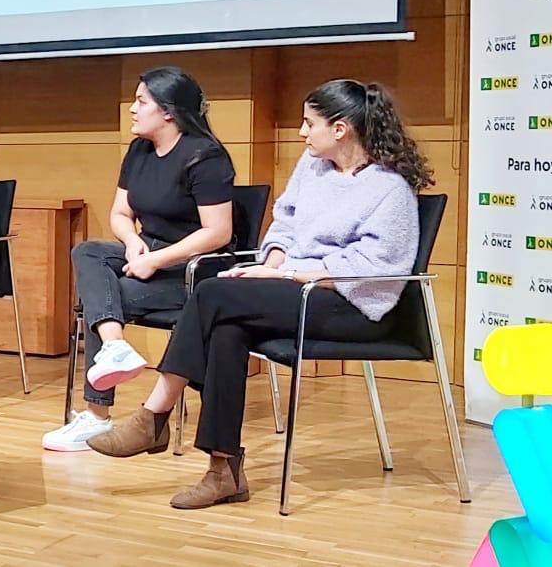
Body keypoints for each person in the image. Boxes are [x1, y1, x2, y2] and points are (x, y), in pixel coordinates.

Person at [85, 79, 434, 510]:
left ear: (340, 129)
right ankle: (223, 471)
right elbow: (284, 223)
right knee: (228, 327)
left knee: (213, 294)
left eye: (309, 124)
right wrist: (272, 264)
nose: (302, 133)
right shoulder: (313, 167)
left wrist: (286, 275)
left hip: (353, 304)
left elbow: (374, 269)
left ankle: (154, 415)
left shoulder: (389, 189)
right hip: (296, 287)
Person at [42, 67, 235, 452]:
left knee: (105, 299)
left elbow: (218, 232)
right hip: (145, 251)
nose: (132, 109)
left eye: (141, 102)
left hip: (192, 270)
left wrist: (157, 259)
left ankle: (97, 415)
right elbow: (120, 212)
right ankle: (115, 348)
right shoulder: (139, 150)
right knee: (87, 251)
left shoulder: (205, 157)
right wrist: (132, 242)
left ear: (169, 112)